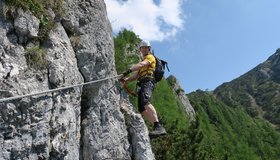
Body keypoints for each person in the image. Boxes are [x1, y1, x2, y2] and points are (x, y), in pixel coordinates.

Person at [120, 40, 166, 137]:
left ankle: (159, 126)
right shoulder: (143, 61)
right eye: (142, 48)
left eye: (146, 48)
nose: (144, 49)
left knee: (145, 100)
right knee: (141, 108)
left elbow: (141, 65)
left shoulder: (150, 57)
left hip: (149, 81)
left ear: (149, 49)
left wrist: (128, 70)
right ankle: (155, 126)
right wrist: (125, 80)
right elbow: (136, 76)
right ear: (140, 50)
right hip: (143, 82)